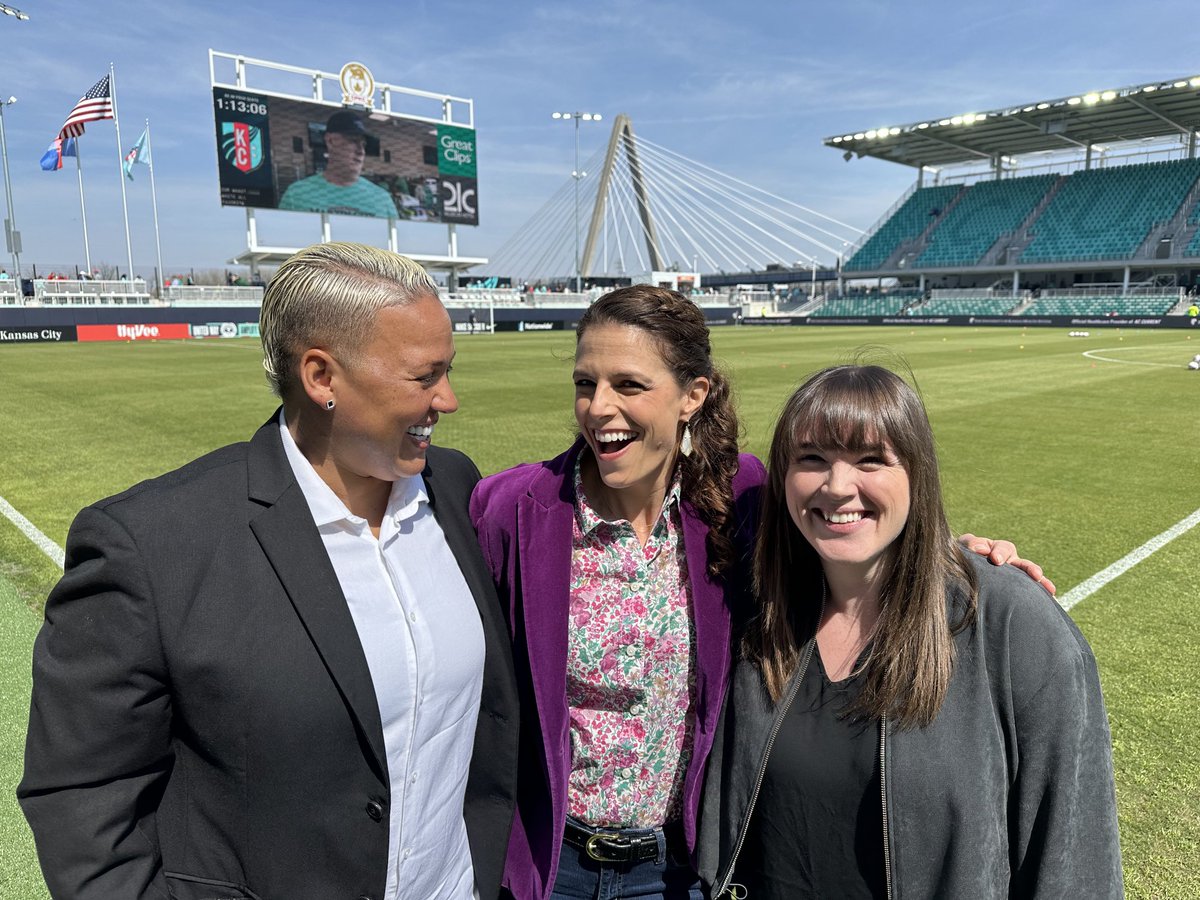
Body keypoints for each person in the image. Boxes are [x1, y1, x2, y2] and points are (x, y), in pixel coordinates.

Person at [469, 287, 1049, 900]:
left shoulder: (740, 500)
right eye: (586, 383)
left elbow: (842, 521)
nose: (599, 407)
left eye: (629, 385)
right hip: (547, 863)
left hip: (680, 870)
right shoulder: (511, 509)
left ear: (693, 395)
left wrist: (959, 555)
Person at [18, 242, 518, 900]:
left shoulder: (456, 488)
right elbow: (82, 801)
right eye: (424, 377)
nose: (448, 400)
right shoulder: (151, 543)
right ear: (322, 377)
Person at [699, 365, 1122, 899]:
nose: (837, 486)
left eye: (871, 459)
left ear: (916, 475)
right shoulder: (758, 614)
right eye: (812, 459)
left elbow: (1075, 855)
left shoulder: (1011, 623)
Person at [279, 111, 400, 218]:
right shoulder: (297, 195)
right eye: (353, 141)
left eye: (363, 144)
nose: (361, 151)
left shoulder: (382, 200)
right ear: (331, 141)